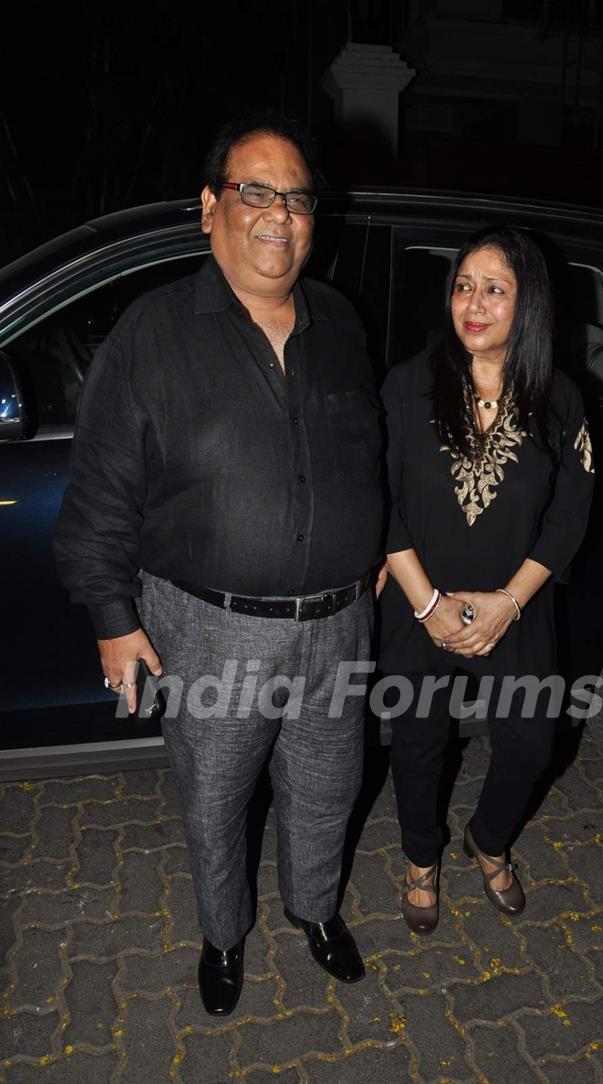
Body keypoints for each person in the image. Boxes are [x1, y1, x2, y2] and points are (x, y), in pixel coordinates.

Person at [54, 112, 385, 1015]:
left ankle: (315, 911)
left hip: (342, 623)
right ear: (211, 207)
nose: (280, 213)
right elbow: (100, 493)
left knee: (329, 784)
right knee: (215, 798)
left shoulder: (341, 324)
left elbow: (369, 452)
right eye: (256, 192)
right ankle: (223, 935)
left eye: (298, 197)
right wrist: (113, 618)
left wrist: (380, 542)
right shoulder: (152, 334)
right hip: (211, 625)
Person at [379, 225, 594, 934]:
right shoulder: (407, 388)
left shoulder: (559, 399)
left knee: (533, 740)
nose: (474, 302)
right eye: (464, 286)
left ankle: (490, 839)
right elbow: (379, 502)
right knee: (416, 741)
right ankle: (420, 857)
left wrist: (507, 603)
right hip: (418, 601)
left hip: (516, 604)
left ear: (527, 303)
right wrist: (430, 605)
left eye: (495, 289)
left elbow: (568, 516)